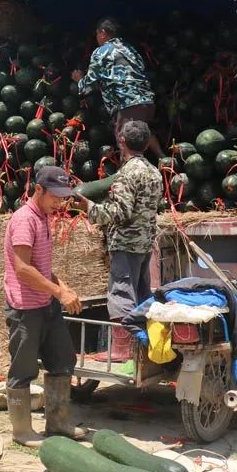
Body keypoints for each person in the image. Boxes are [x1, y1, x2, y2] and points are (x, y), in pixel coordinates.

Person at [3, 165, 86, 448]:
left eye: (64, 198)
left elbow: (43, 268)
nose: (60, 203)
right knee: (23, 370)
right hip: (25, 308)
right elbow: (24, 269)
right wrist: (59, 294)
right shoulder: (25, 220)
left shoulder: (43, 217)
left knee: (63, 361)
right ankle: (22, 431)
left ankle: (59, 423)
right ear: (38, 189)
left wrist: (62, 288)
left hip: (45, 304)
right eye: (56, 197)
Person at [73, 120, 163, 363]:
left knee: (121, 294)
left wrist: (89, 207)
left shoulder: (126, 174)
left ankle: (122, 350)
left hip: (125, 244)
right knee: (143, 294)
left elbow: (119, 212)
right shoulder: (154, 172)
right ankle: (143, 348)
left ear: (122, 142)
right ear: (146, 143)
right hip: (145, 243)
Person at [71, 17, 164, 159]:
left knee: (127, 144)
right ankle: (163, 158)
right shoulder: (130, 49)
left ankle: (131, 175)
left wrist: (79, 80)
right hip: (147, 102)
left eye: (97, 34)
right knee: (143, 131)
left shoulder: (101, 51)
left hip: (127, 104)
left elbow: (87, 85)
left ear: (102, 33)